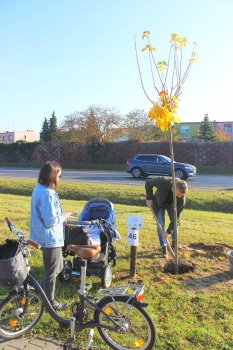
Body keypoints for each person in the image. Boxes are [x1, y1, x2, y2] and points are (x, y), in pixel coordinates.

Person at [30, 161, 74, 310]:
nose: (60, 178)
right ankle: (50, 302)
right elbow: (50, 221)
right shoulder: (47, 194)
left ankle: (39, 296)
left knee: (57, 267)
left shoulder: (39, 188)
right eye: (59, 175)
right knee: (52, 271)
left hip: (44, 236)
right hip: (49, 239)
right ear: (52, 176)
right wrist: (64, 217)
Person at [145, 176, 188, 258]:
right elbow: (148, 183)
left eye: (181, 195)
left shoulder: (181, 199)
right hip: (159, 203)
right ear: (174, 189)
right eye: (178, 195)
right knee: (160, 224)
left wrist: (168, 232)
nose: (180, 197)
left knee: (175, 223)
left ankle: (174, 243)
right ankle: (163, 247)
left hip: (172, 206)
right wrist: (149, 198)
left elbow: (177, 218)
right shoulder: (163, 182)